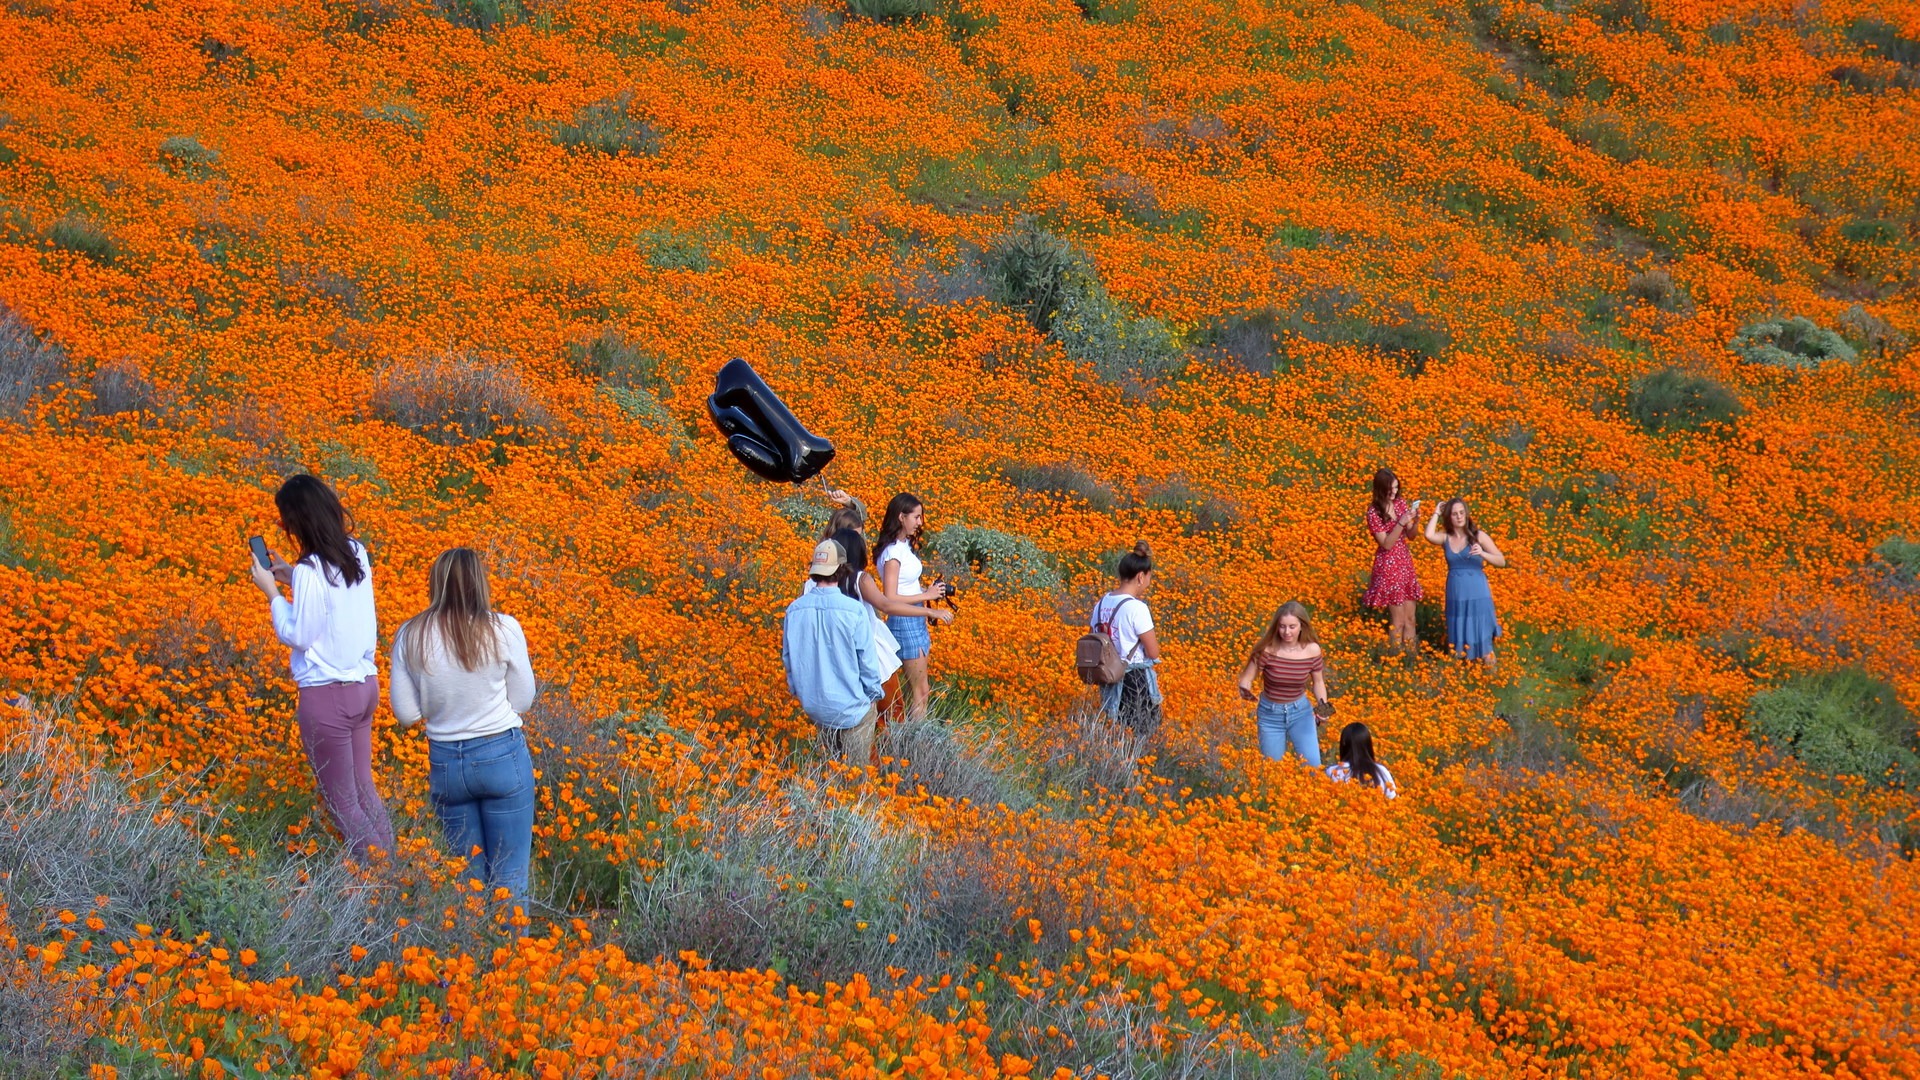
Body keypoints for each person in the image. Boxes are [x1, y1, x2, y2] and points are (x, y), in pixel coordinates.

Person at [247, 474, 394, 861]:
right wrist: (291, 575)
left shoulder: (311, 570)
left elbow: (299, 634)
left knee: (342, 803)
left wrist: (272, 592)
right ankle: (396, 870)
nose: (286, 529)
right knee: (365, 790)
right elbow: (336, 599)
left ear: (299, 521)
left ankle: (382, 885)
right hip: (364, 688)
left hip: (328, 698)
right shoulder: (355, 552)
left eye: (284, 522)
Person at [389, 548, 539, 898]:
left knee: (466, 883)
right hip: (501, 756)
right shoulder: (503, 629)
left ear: (435, 584)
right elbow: (523, 701)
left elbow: (406, 714)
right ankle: (512, 951)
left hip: (447, 765)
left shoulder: (410, 634)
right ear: (480, 582)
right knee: (510, 878)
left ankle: (469, 950)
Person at [783, 538, 884, 764]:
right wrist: (873, 694)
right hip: (852, 709)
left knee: (831, 769)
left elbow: (788, 659)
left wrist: (798, 691)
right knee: (854, 776)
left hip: (816, 707)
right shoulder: (854, 611)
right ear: (841, 569)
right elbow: (867, 662)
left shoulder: (795, 609)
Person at [874, 494, 953, 723]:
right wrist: (927, 598)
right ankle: (913, 746)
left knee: (919, 689)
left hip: (912, 618)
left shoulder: (902, 546)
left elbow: (903, 588)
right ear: (901, 517)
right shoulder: (892, 554)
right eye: (916, 517)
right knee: (921, 692)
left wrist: (926, 591)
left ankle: (907, 738)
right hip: (905, 621)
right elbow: (890, 597)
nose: (920, 522)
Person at [1236, 601, 1330, 765]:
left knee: (1313, 767)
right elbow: (1247, 678)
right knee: (1273, 769)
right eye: (1282, 627)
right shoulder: (1266, 650)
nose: (1287, 632)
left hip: (1300, 712)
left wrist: (1324, 708)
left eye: (1292, 627)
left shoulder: (1312, 650)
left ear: (1302, 626)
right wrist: (1245, 689)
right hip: (1269, 714)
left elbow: (1319, 682)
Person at [1089, 542, 1162, 739]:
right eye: (1149, 578)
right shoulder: (1136, 608)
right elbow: (1153, 652)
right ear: (1140, 576)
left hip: (1108, 677)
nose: (1148, 582)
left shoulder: (1100, 604)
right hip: (1134, 681)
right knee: (1140, 734)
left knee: (1115, 733)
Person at [1424, 498, 1506, 671]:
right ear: (1449, 517)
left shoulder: (1478, 536)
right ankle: (1464, 676)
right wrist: (1436, 512)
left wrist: (1483, 553)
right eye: (1454, 514)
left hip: (1477, 592)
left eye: (1462, 512)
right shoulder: (1446, 537)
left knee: (1482, 636)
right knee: (1459, 632)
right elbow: (1428, 535)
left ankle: (1493, 678)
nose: (1459, 517)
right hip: (1456, 593)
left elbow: (1501, 561)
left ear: (1466, 514)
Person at [1363, 469, 1424, 659]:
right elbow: (1386, 544)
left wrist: (1415, 522)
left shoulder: (1400, 504)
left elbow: (1411, 536)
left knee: (1410, 619)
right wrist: (1400, 522)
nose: (1394, 492)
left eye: (1396, 488)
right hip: (1388, 566)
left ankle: (1411, 660)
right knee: (1397, 621)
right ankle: (1395, 659)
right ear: (1381, 489)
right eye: (1390, 489)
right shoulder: (1374, 512)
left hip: (1404, 563)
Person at [1327, 722, 1397, 799]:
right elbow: (1394, 800)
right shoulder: (1381, 770)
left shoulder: (1332, 772)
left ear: (1343, 745)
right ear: (1368, 745)